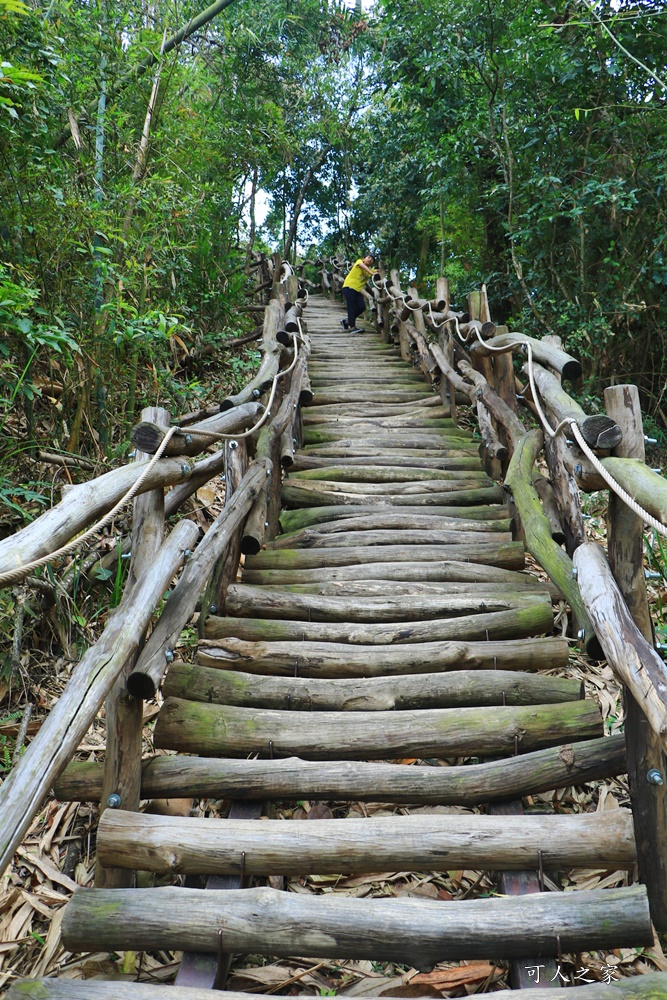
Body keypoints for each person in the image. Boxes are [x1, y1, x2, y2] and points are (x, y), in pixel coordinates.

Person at [341, 253, 377, 334]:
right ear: (364, 259)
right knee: (351, 307)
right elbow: (364, 267)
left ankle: (347, 321)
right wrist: (371, 273)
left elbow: (376, 272)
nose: (370, 260)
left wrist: (376, 272)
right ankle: (352, 327)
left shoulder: (368, 271)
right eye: (369, 258)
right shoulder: (359, 262)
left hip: (357, 290)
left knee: (362, 307)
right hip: (349, 286)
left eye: (372, 260)